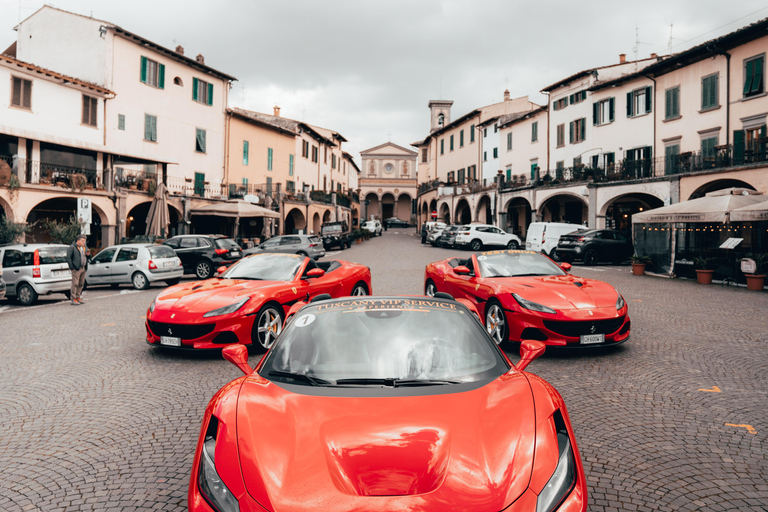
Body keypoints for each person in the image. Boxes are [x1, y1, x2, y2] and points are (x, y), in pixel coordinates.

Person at [66, 234, 88, 305]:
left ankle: (78, 296)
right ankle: (73, 298)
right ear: (78, 241)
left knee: (81, 283)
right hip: (76, 268)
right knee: (75, 283)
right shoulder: (72, 248)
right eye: (82, 241)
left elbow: (87, 256)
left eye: (84, 241)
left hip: (83, 267)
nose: (84, 243)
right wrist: (72, 267)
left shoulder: (84, 247)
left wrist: (88, 254)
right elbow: (68, 258)